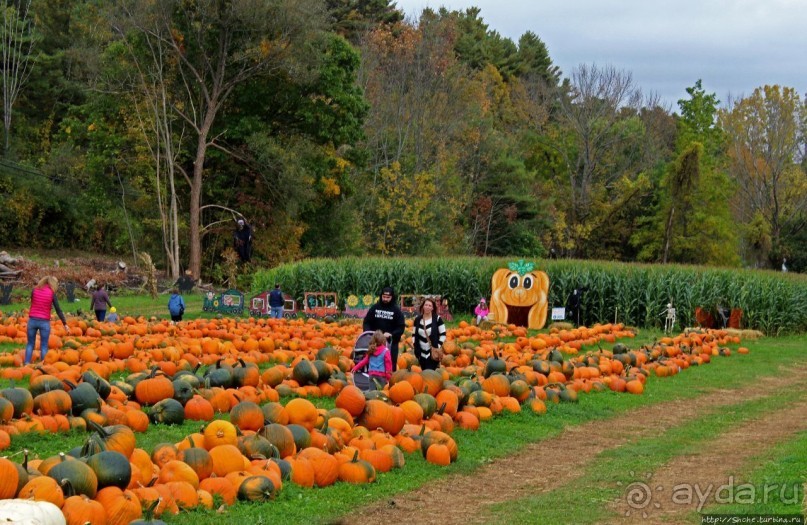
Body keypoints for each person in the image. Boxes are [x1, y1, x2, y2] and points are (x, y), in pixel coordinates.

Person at [25, 276, 69, 365]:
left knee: (30, 344)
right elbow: (58, 309)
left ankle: (26, 363)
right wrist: (65, 323)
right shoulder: (52, 293)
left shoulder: (35, 290)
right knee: (44, 345)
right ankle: (43, 365)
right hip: (44, 321)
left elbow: (34, 302)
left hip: (32, 320)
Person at [363, 286, 405, 372]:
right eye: (384, 297)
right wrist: (369, 333)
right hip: (375, 344)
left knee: (390, 365)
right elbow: (366, 322)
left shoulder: (396, 311)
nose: (385, 299)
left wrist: (392, 334)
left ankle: (389, 383)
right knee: (374, 365)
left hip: (390, 343)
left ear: (392, 297)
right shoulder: (375, 308)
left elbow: (401, 327)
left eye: (388, 297)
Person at [412, 297, 446, 370]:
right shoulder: (418, 320)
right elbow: (414, 334)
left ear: (433, 308)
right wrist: (415, 345)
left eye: (430, 305)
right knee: (423, 371)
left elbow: (443, 335)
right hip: (420, 353)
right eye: (426, 305)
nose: (427, 307)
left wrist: (437, 345)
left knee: (429, 373)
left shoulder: (437, 319)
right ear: (423, 306)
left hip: (432, 352)